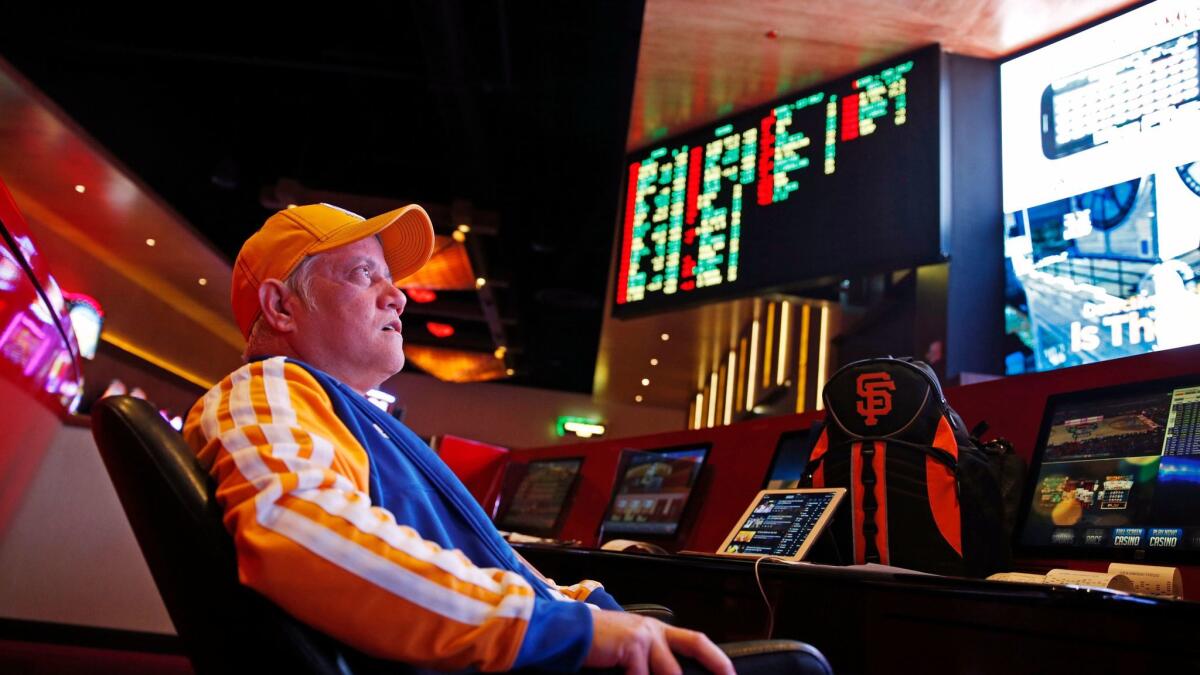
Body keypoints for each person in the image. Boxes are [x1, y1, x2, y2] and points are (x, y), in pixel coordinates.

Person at [183, 203, 734, 674]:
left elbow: (484, 565)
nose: (395, 296)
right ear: (281, 307)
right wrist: (565, 631)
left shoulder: (342, 416)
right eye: (361, 274)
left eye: (388, 279)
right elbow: (302, 534)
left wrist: (588, 610)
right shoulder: (268, 386)